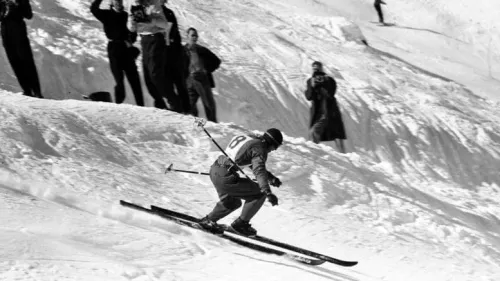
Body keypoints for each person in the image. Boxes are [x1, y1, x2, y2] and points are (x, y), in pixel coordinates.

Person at [198, 128, 283, 236]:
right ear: (271, 142)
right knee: (259, 193)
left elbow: (251, 163)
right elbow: (259, 170)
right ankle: (240, 225)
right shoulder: (260, 148)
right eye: (275, 147)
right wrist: (268, 192)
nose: (273, 150)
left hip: (215, 170)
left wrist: (271, 178)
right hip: (225, 176)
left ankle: (208, 221)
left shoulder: (250, 139)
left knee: (232, 202)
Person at [128, 0, 182, 112]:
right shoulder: (133, 7)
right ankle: (161, 106)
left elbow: (164, 24)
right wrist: (132, 23)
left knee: (155, 75)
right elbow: (131, 28)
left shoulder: (154, 4)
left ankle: (175, 104)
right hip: (144, 41)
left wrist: (151, 19)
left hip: (156, 39)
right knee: (148, 79)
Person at [91, 0, 144, 106]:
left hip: (126, 49)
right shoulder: (106, 14)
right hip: (114, 49)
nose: (119, 3)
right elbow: (93, 9)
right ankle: (118, 106)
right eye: (116, 1)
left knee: (134, 80)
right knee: (119, 81)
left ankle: (141, 106)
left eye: (120, 1)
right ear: (113, 2)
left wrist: (131, 38)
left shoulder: (126, 16)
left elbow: (133, 34)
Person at [0, 0, 42, 98]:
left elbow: (28, 15)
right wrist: (3, 10)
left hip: (19, 34)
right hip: (6, 35)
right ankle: (27, 90)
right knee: (14, 63)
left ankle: (37, 92)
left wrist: (18, 5)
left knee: (27, 62)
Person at [305, 61, 346, 153]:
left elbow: (331, 93)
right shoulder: (310, 81)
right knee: (313, 132)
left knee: (337, 136)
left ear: (322, 68)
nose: (316, 70)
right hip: (318, 114)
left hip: (330, 112)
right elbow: (308, 96)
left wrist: (324, 83)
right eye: (314, 68)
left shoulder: (329, 80)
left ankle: (345, 157)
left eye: (318, 68)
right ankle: (314, 153)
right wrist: (312, 86)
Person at [184, 27, 221, 122]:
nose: (194, 37)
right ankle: (195, 124)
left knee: (208, 104)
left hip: (201, 78)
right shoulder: (182, 50)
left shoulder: (201, 50)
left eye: (196, 36)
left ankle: (214, 125)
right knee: (189, 104)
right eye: (192, 35)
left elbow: (216, 61)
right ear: (187, 36)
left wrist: (206, 70)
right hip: (188, 80)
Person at [162, 1, 190, 114]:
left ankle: (186, 110)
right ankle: (175, 107)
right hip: (164, 54)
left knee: (179, 82)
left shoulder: (168, 13)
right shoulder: (153, 13)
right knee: (167, 82)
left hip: (174, 54)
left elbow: (173, 33)